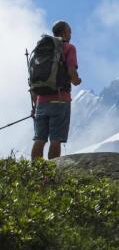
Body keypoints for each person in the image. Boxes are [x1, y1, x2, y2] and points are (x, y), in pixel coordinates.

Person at [31, 20, 81, 160]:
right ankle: (51, 177)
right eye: (69, 31)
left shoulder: (42, 49)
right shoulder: (69, 48)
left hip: (41, 100)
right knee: (56, 139)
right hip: (60, 99)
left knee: (39, 139)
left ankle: (35, 175)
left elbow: (34, 78)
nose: (71, 33)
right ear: (64, 32)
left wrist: (36, 103)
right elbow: (71, 71)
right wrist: (76, 81)